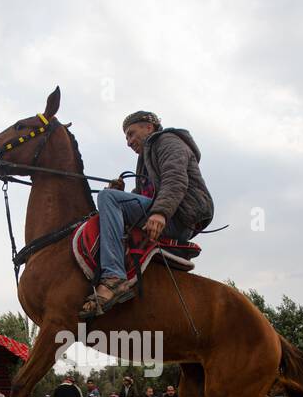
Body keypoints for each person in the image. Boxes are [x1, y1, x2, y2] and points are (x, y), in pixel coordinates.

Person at [83, 110, 214, 320]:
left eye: (131, 133)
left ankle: (114, 277)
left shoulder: (168, 141)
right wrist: (122, 194)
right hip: (167, 212)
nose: (128, 142)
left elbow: (175, 179)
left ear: (148, 127)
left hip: (179, 217)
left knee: (107, 197)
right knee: (111, 196)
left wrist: (160, 213)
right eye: (126, 136)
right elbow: (148, 196)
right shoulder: (146, 157)